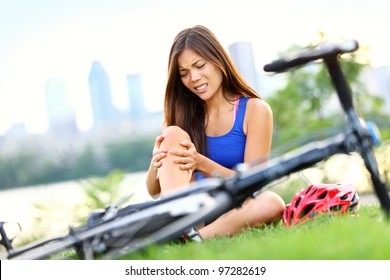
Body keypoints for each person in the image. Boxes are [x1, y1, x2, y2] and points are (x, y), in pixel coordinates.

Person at [145, 25, 285, 239]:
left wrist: (200, 163)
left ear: (218, 60)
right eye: (184, 73)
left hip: (236, 208)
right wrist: (156, 165)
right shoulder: (183, 117)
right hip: (193, 211)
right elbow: (154, 191)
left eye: (200, 66)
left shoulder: (254, 110)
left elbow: (253, 183)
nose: (193, 78)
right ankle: (183, 230)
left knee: (271, 203)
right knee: (172, 134)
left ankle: (195, 238)